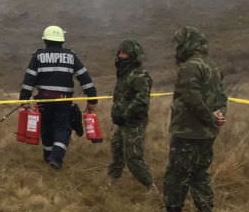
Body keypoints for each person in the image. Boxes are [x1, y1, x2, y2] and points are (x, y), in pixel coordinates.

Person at [163, 27, 227, 212]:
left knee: (177, 174)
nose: (178, 48)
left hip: (188, 131)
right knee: (200, 173)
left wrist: (209, 117)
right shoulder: (212, 66)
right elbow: (222, 96)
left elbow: (192, 97)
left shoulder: (189, 66)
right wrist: (219, 116)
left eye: (180, 43)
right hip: (207, 132)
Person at [19, 25, 98, 170]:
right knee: (62, 128)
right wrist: (92, 100)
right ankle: (56, 158)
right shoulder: (71, 56)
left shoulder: (38, 56)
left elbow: (29, 79)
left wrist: (24, 99)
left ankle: (48, 157)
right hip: (63, 101)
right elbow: (85, 78)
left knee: (46, 128)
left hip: (43, 100)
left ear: (45, 41)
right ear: (62, 40)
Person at [107, 39, 155, 188]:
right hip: (123, 122)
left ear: (132, 55)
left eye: (124, 53)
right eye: (119, 52)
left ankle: (150, 186)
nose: (120, 56)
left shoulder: (140, 76)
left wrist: (125, 113)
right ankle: (112, 182)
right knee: (116, 149)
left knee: (133, 157)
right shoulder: (124, 75)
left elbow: (141, 101)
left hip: (134, 122)